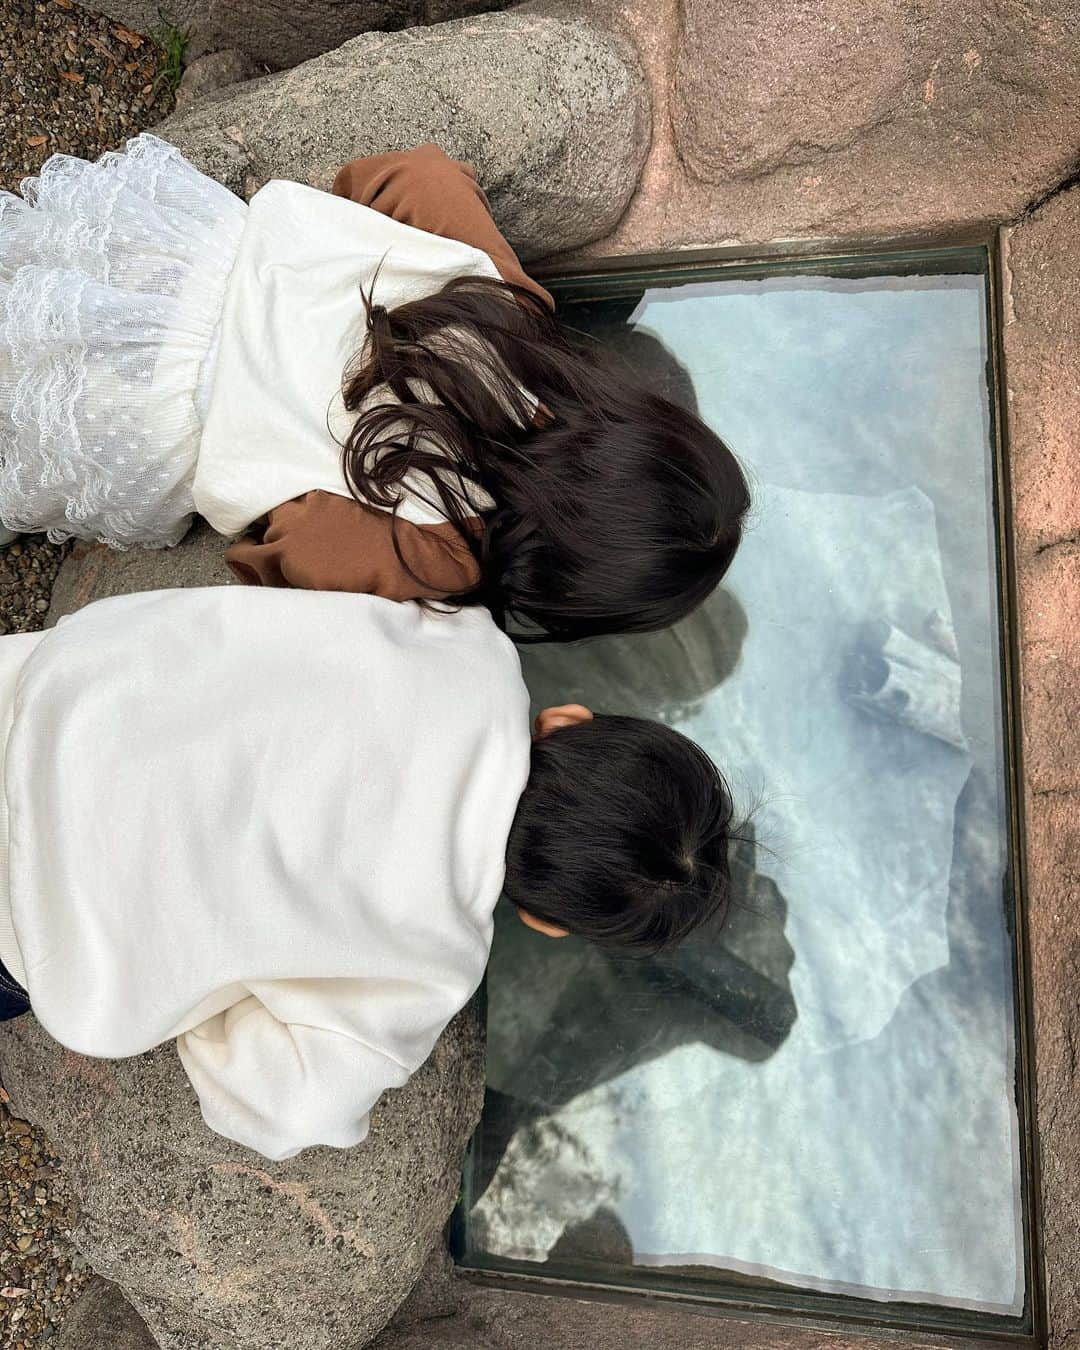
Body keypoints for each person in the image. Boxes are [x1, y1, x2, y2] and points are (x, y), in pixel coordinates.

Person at [0, 587, 735, 1160]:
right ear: (547, 920)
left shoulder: (467, 647)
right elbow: (283, 1107)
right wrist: (212, 951)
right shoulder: (429, 968)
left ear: (568, 719)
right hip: (24, 913)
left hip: (33, 702)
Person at [0, 136, 750, 640]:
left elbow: (417, 174)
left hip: (187, 253)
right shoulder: (447, 549)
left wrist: (337, 235)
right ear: (569, 589)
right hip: (155, 411)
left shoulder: (510, 310)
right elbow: (301, 552)